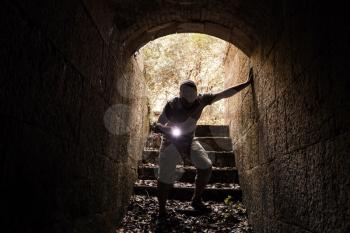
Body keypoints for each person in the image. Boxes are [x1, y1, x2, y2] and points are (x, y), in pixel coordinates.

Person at [152, 74, 253, 222]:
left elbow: (224, 94)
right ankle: (161, 210)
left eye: (191, 102)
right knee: (164, 177)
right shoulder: (171, 105)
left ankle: (196, 200)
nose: (188, 105)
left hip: (189, 140)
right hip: (170, 141)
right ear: (180, 95)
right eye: (186, 102)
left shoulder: (202, 100)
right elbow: (159, 122)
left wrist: (246, 83)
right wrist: (159, 127)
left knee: (206, 166)